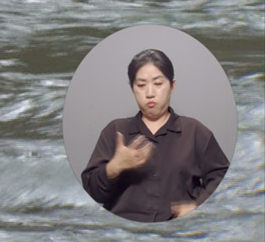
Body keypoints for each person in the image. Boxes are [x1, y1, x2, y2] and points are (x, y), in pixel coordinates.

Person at [80, 48, 230, 222]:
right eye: (141, 85)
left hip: (178, 229)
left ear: (172, 86)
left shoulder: (195, 131)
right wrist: (114, 167)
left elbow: (223, 179)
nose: (150, 93)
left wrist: (198, 205)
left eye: (158, 84)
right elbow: (91, 193)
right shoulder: (115, 131)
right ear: (132, 88)